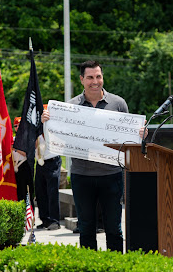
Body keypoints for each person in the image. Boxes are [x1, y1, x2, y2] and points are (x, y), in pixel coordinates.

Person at [41, 60, 128, 252]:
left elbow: (127, 137)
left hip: (112, 175)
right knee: (86, 229)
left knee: (114, 229)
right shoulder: (70, 107)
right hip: (82, 176)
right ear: (82, 80)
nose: (95, 81)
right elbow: (56, 138)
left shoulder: (118, 103)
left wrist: (139, 133)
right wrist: (47, 122)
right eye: (90, 77)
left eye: (98, 76)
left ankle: (118, 266)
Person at [34, 134, 62, 230]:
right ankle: (44, 219)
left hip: (52, 161)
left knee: (52, 191)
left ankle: (54, 220)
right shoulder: (37, 129)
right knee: (40, 191)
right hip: (40, 162)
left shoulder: (52, 127)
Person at [13, 116, 35, 208]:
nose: (17, 127)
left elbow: (29, 153)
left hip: (25, 165)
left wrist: (16, 149)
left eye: (19, 125)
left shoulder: (28, 138)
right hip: (14, 167)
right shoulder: (13, 138)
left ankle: (31, 214)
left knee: (27, 192)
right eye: (15, 126)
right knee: (18, 192)